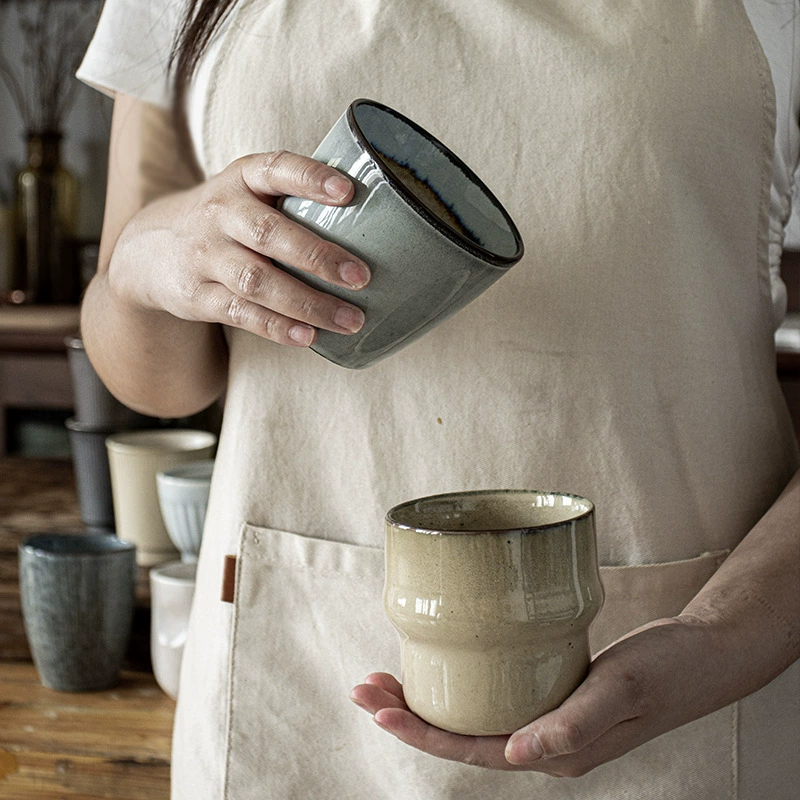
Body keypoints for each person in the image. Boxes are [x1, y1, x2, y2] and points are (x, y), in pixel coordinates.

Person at [77, 1, 800, 798]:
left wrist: (721, 635)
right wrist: (144, 265)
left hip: (685, 688)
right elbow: (159, 381)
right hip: (299, 680)